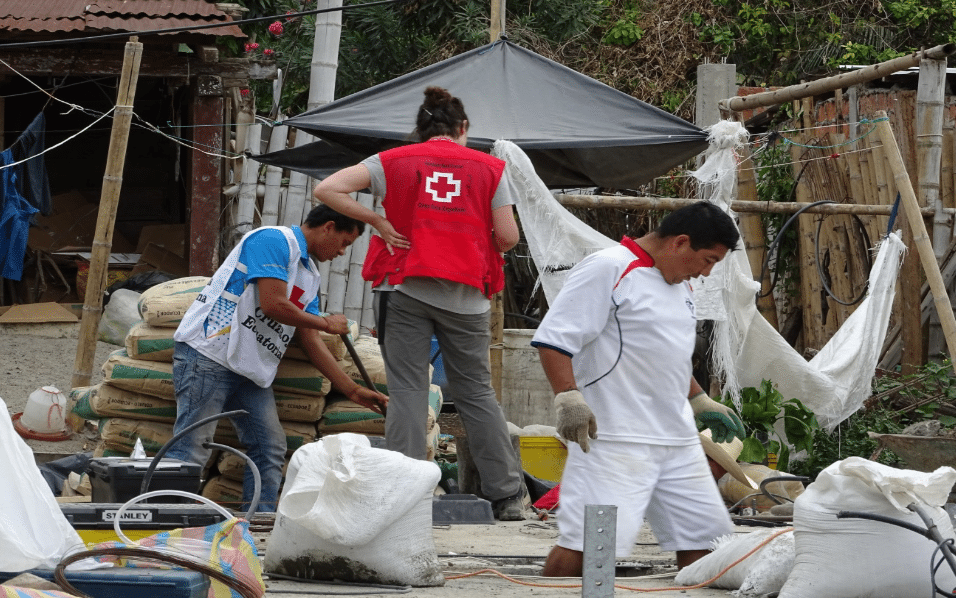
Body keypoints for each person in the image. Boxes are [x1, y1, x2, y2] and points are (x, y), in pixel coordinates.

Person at [312, 86, 525, 520]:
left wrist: (375, 218)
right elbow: (507, 238)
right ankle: (508, 497)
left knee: (408, 391)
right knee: (477, 395)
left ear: (421, 128)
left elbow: (328, 188)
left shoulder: (392, 161)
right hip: (468, 297)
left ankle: (407, 497)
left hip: (403, 286)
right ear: (463, 128)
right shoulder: (490, 168)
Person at [530, 201, 746, 575]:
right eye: (708, 260)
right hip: (615, 437)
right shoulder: (608, 268)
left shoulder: (680, 284)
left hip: (676, 439)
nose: (707, 273)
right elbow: (554, 339)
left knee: (703, 542)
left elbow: (666, 352)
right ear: (679, 243)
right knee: (591, 547)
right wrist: (568, 396)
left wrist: (697, 397)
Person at [165, 204, 389, 513]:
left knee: (269, 447)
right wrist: (326, 323)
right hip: (210, 354)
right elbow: (273, 305)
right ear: (328, 227)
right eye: (344, 242)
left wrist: (352, 390)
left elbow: (309, 339)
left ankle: (259, 524)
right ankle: (168, 524)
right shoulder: (273, 240)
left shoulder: (309, 275)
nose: (341, 252)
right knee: (191, 449)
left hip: (249, 368)